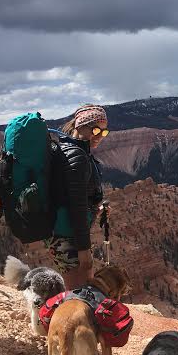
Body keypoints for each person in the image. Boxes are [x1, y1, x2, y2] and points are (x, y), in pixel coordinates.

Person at [45, 104, 110, 290]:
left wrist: (96, 208)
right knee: (79, 293)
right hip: (67, 237)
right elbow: (76, 206)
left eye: (104, 132)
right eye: (95, 129)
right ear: (79, 126)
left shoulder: (73, 151)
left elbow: (75, 197)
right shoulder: (76, 156)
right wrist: (83, 250)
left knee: (80, 292)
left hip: (66, 233)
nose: (99, 135)